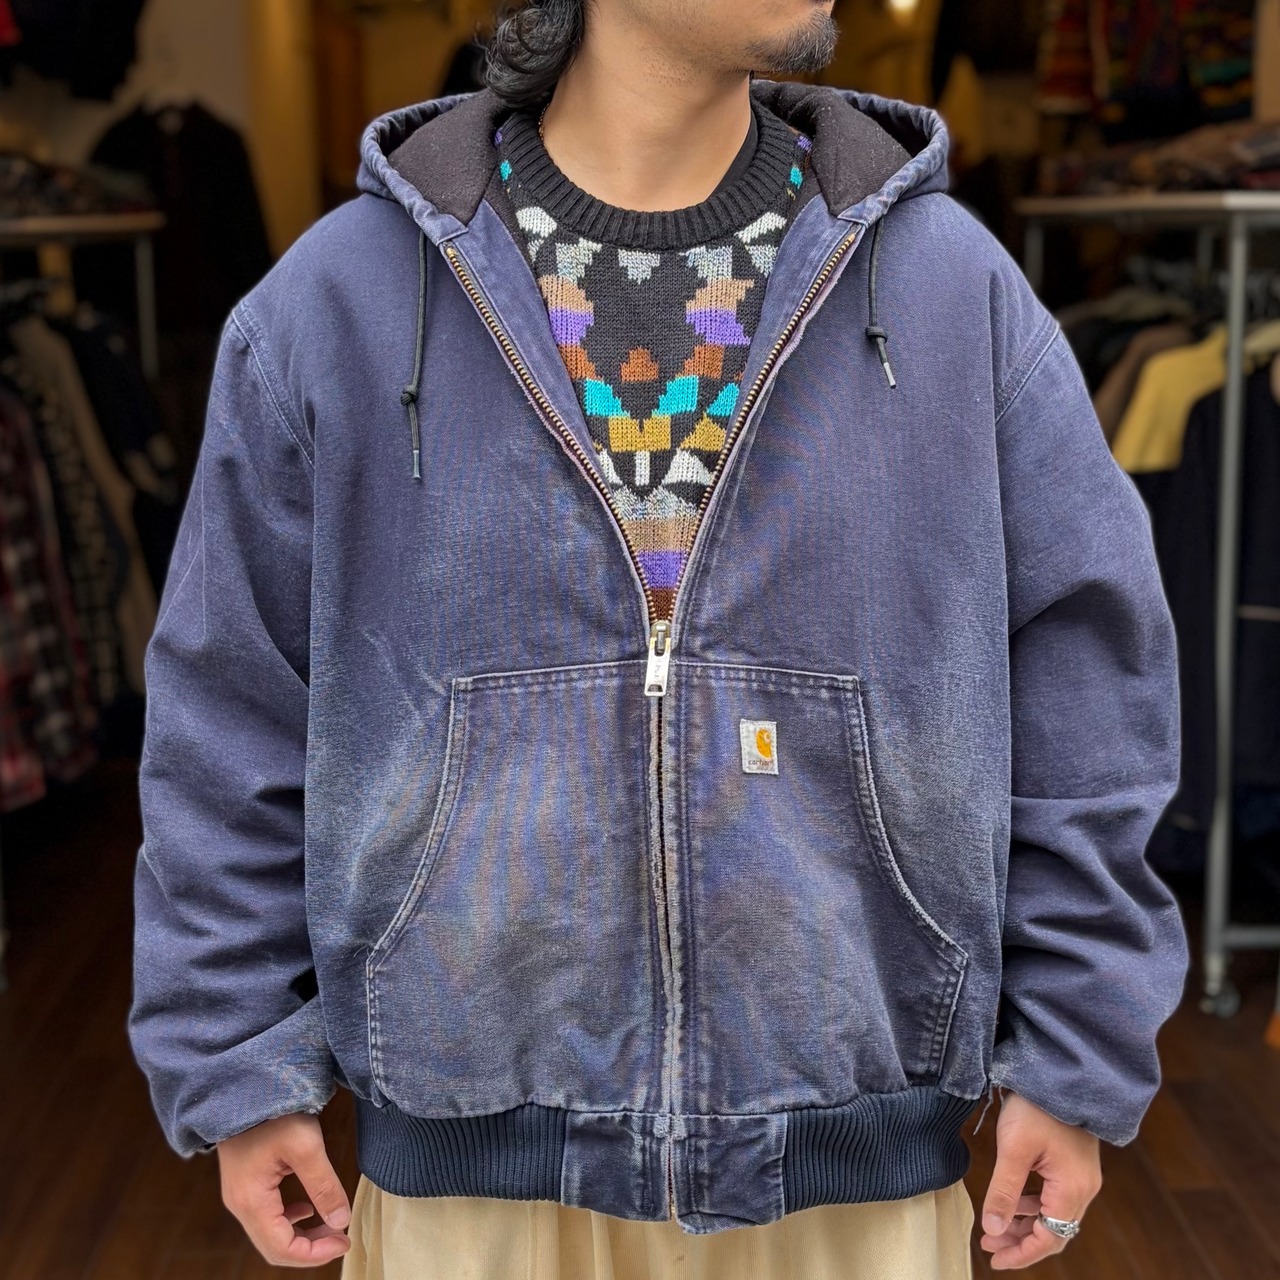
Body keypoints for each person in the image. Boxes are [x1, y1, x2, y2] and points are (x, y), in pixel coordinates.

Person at [127, 0, 1191, 1275]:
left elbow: (1088, 687)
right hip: (469, 1180)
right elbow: (225, 713)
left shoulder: (949, 290)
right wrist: (238, 1058)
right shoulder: (337, 303)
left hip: (849, 1177)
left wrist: (1072, 1048)